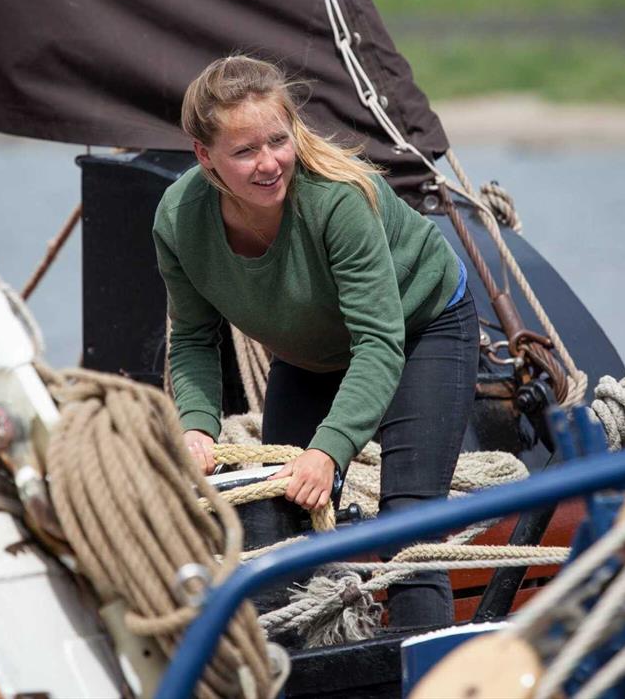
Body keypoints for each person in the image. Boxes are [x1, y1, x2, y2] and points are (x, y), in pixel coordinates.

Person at [153, 55, 479, 629]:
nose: (269, 163)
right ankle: (297, 668)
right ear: (205, 157)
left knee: (408, 520)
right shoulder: (179, 220)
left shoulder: (337, 198)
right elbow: (195, 339)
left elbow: (379, 342)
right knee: (274, 510)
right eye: (245, 151)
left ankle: (421, 672)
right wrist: (197, 427)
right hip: (311, 352)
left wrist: (328, 452)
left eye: (279, 141)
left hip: (421, 325)